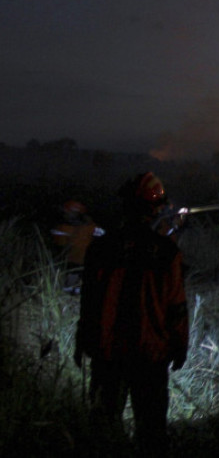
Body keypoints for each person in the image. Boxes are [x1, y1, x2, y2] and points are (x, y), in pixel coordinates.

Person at [75, 172, 189, 452]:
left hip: (106, 353)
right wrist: (180, 345)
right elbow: (176, 306)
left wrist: (82, 341)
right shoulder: (166, 252)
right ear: (155, 209)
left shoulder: (100, 250)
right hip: (150, 356)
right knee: (151, 433)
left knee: (103, 432)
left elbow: (88, 304)